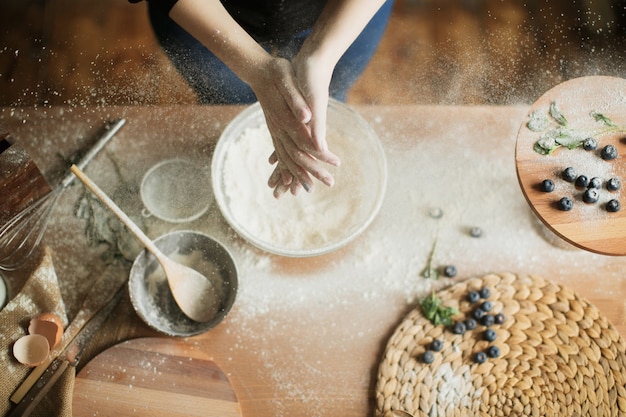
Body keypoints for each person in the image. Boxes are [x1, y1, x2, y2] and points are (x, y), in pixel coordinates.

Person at [131, 0, 394, 197]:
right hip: (203, 15)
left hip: (348, 10)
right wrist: (255, 70)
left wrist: (322, 55)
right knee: (229, 107)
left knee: (326, 101)